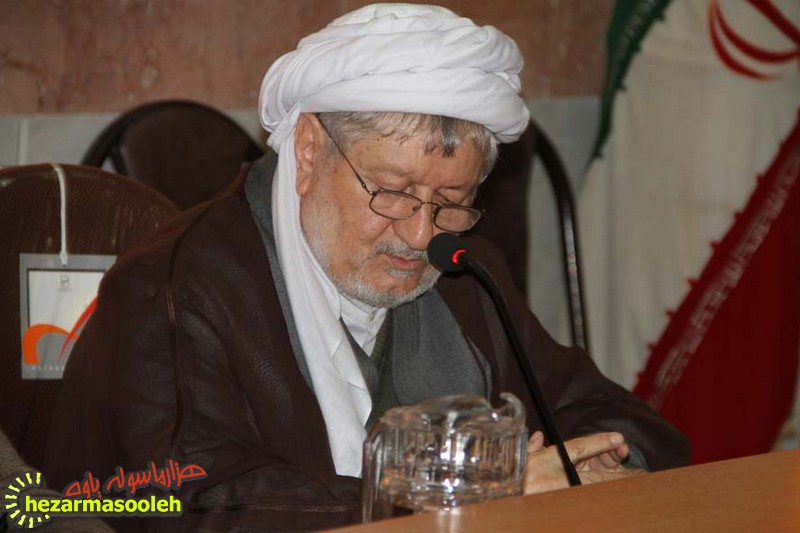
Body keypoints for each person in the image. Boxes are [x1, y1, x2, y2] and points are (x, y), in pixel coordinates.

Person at [44, 4, 689, 531]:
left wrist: (599, 467)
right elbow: (189, 505)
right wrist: (462, 498)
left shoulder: (464, 273)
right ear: (307, 151)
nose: (420, 233)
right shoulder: (169, 289)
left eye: (451, 201)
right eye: (393, 192)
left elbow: (614, 417)